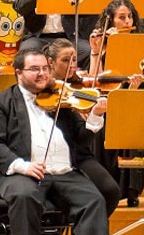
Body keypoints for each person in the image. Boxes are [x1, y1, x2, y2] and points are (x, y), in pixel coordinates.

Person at [0, 48, 114, 235]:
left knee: (94, 199)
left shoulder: (61, 99)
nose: (42, 74)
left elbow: (80, 138)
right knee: (23, 196)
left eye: (45, 68)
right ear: (18, 72)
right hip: (21, 172)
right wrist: (22, 165)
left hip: (63, 172)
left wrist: (95, 115)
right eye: (34, 69)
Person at [44, 39, 121, 216]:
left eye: (73, 60)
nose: (72, 66)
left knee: (110, 191)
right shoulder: (39, 88)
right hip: (47, 156)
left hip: (77, 155)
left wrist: (96, 114)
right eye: (65, 60)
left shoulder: (74, 91)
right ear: (50, 62)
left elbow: (81, 139)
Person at [87, 0, 144, 206]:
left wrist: (133, 88)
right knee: (102, 118)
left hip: (134, 99)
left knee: (131, 118)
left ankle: (131, 190)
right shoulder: (100, 43)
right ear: (110, 22)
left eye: (130, 17)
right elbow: (95, 83)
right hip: (108, 101)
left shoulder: (141, 45)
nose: (128, 22)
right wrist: (97, 50)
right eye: (122, 18)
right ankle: (103, 184)